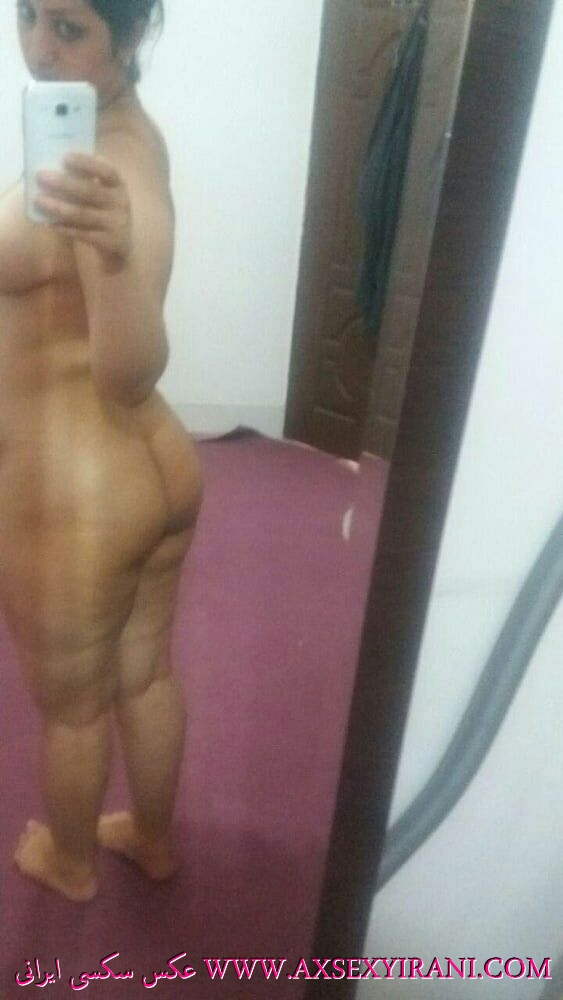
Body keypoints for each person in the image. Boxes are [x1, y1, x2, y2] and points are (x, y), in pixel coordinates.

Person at [0, 0, 202, 902]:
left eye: (70, 29)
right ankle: (149, 839)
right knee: (144, 672)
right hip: (148, 468)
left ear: (128, 35)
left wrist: (117, 257)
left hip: (78, 493)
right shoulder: (121, 134)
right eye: (28, 15)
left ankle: (70, 862)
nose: (40, 46)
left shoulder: (107, 169)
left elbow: (127, 371)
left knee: (74, 711)